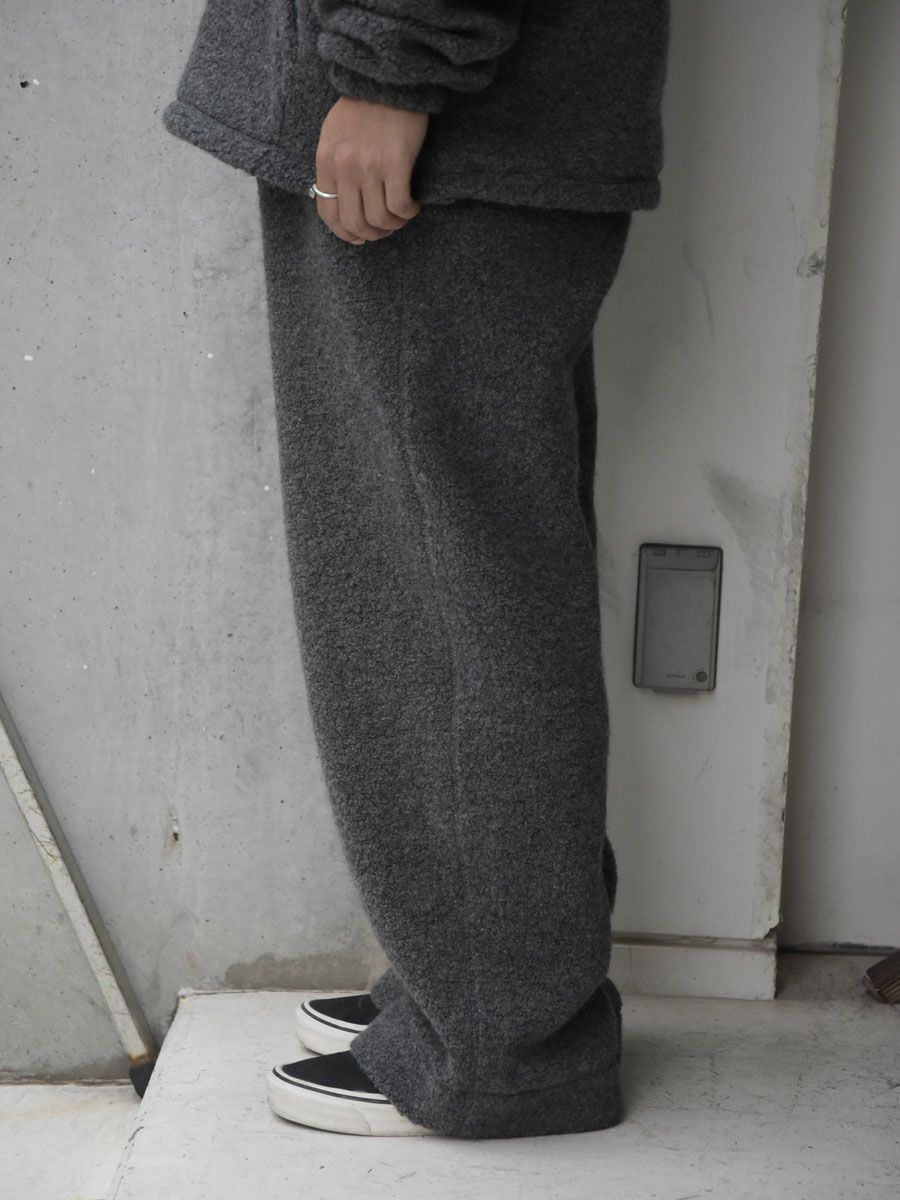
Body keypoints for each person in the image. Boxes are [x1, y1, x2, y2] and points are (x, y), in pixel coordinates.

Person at [162, 0, 671, 1140]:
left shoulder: (409, 87)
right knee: (460, 589)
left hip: (447, 125)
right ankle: (483, 992)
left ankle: (503, 1047)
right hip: (472, 124)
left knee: (445, 610)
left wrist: (395, 65)